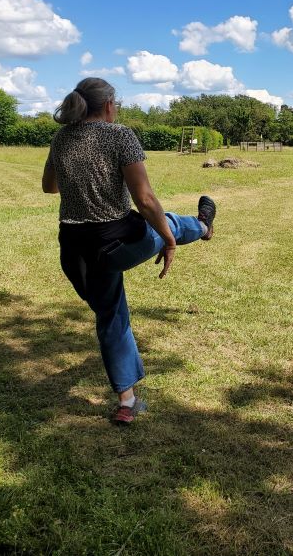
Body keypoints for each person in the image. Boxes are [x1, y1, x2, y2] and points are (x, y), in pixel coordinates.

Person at [42, 77, 216, 424]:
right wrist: (168, 241)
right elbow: (145, 199)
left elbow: (50, 187)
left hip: (76, 252)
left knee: (110, 316)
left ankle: (127, 402)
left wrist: (79, 175)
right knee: (169, 222)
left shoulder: (61, 137)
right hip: (118, 243)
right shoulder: (120, 135)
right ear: (109, 105)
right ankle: (203, 227)